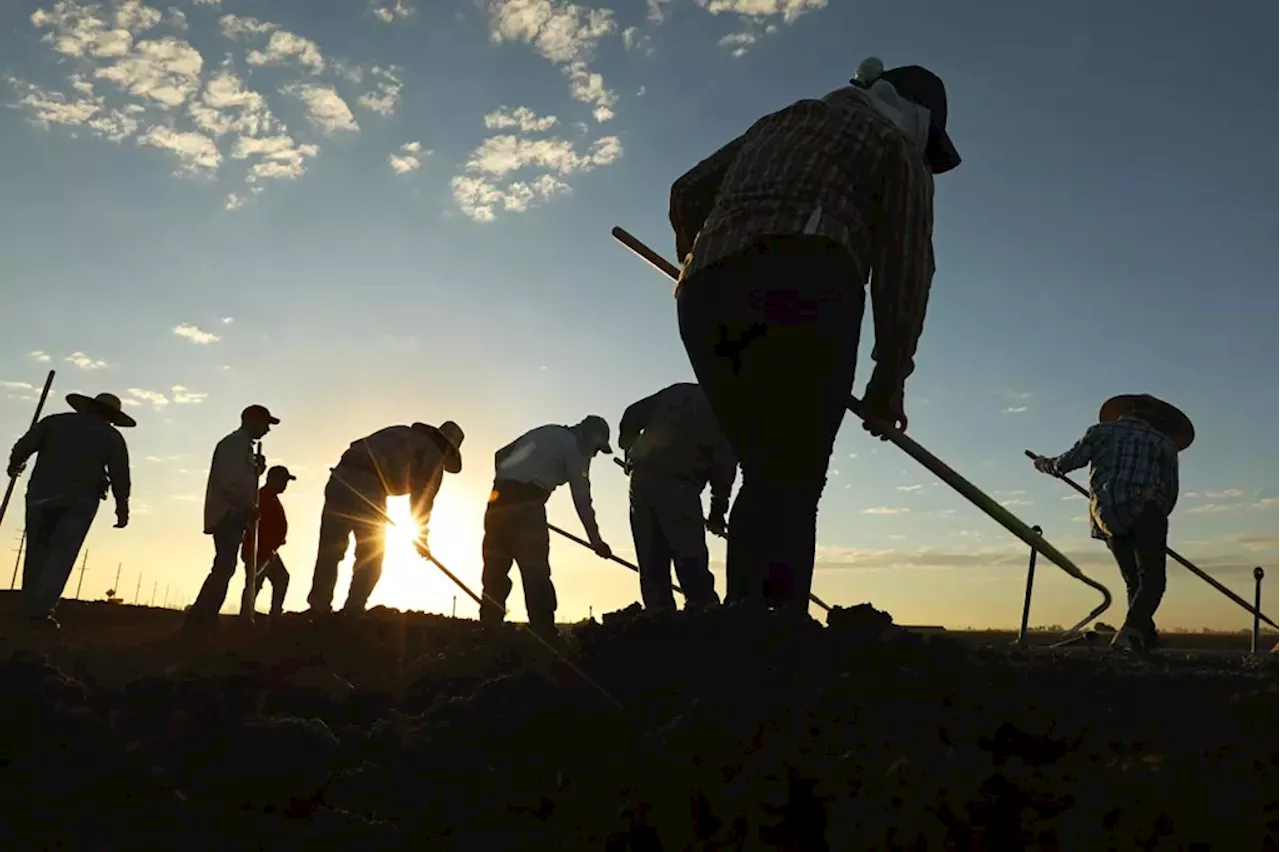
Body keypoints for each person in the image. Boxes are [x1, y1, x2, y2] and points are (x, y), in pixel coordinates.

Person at [667, 56, 960, 611]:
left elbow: (687, 191)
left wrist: (701, 253)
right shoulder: (897, 147)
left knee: (765, 466)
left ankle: (749, 626)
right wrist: (889, 377)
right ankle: (774, 636)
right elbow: (905, 267)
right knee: (794, 475)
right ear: (919, 118)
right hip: (806, 283)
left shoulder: (780, 121)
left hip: (703, 297)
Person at [1030, 393, 1192, 654]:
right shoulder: (1163, 442)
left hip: (1107, 516)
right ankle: (1131, 633)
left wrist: (1043, 464)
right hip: (1145, 512)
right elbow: (1170, 490)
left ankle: (1144, 638)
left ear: (1125, 412)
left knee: (1133, 581)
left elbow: (1064, 464)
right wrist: (1155, 511)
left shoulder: (1100, 432)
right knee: (1152, 580)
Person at [307, 421, 464, 617]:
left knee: (331, 549)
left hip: (340, 477)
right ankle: (353, 609)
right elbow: (422, 501)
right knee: (371, 556)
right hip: (369, 485)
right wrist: (421, 538)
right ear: (448, 450)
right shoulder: (432, 456)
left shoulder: (400, 431)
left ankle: (318, 607)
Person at [6, 392, 133, 628]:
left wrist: (15, 465)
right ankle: (40, 612)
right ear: (112, 416)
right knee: (61, 555)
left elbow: (23, 447)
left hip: (40, 497)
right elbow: (120, 475)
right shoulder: (111, 436)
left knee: (36, 553)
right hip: (79, 503)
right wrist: (122, 507)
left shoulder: (54, 422)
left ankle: (29, 608)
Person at [479, 415, 613, 638]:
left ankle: (488, 628)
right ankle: (545, 634)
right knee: (536, 572)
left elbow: (500, 455)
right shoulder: (578, 450)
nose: (595, 454)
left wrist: (509, 490)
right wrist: (596, 540)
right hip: (528, 504)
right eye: (597, 448)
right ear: (590, 437)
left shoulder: (548, 431)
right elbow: (582, 499)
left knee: (495, 568)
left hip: (497, 500)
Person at [617, 382, 736, 611]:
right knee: (689, 556)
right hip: (678, 487)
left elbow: (632, 414)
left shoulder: (679, 391)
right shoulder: (725, 409)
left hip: (640, 483)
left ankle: (660, 620)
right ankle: (703, 617)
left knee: (651, 560)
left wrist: (629, 449)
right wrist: (717, 512)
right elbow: (725, 466)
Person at [186, 404, 278, 626]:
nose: (267, 430)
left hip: (235, 513)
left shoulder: (243, 447)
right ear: (252, 420)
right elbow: (227, 481)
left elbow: (240, 480)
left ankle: (202, 615)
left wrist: (258, 471)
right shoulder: (234, 444)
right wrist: (248, 505)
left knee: (225, 565)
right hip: (229, 513)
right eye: (265, 424)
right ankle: (201, 617)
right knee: (224, 565)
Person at [242, 465, 296, 619]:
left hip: (269, 550)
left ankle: (273, 613)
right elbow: (255, 523)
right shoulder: (262, 497)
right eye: (283, 481)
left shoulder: (270, 497)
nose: (285, 485)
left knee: (279, 579)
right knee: (255, 583)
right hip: (259, 550)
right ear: (273, 479)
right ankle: (246, 616)